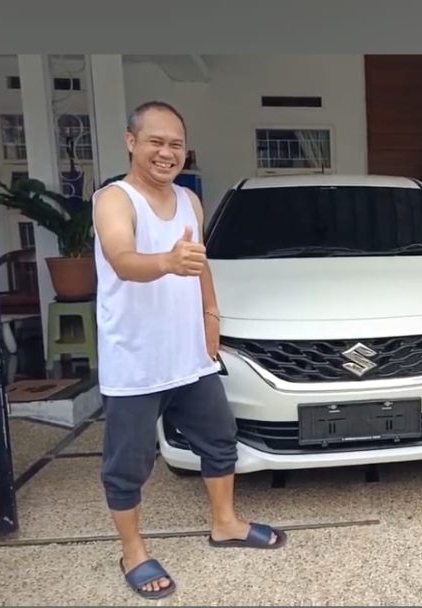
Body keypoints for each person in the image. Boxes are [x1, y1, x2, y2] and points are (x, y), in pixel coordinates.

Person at [92, 100, 286, 600]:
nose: (166, 152)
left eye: (175, 144)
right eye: (155, 141)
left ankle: (225, 523)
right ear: (131, 142)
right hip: (136, 361)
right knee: (128, 464)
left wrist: (211, 316)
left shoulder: (188, 201)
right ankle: (133, 552)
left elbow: (199, 265)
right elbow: (122, 259)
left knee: (220, 439)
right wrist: (167, 261)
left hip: (190, 356)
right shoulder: (114, 199)